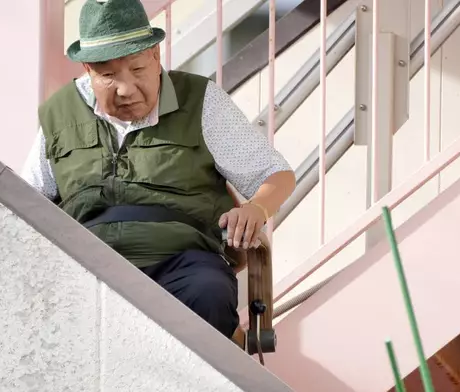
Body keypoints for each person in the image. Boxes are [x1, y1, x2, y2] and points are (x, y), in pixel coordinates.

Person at [21, 0, 295, 342]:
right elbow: (25, 203)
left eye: (137, 70)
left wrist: (257, 208)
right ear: (88, 70)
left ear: (155, 55)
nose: (126, 89)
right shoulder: (61, 112)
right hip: (87, 262)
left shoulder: (200, 99)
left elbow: (276, 174)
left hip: (182, 258)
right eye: (108, 76)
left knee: (208, 292)